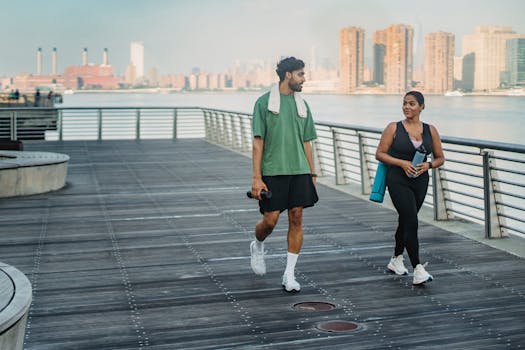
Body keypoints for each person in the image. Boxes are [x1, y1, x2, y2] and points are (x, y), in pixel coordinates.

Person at [249, 57, 319, 293]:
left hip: (299, 170)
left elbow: (307, 142)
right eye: (300, 74)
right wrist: (257, 178)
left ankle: (289, 274)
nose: (304, 79)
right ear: (288, 75)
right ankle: (257, 245)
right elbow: (258, 143)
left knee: (297, 218)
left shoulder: (303, 105)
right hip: (273, 172)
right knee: (270, 221)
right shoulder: (264, 103)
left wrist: (312, 172)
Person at [375, 91, 445, 285]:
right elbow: (379, 154)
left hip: (420, 181)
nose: (407, 107)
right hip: (397, 179)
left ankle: (396, 259)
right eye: (405, 103)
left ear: (421, 107)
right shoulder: (393, 128)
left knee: (406, 220)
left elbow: (440, 157)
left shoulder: (431, 130)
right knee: (411, 221)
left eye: (412, 104)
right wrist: (402, 163)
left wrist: (428, 165)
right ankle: (418, 269)